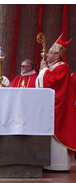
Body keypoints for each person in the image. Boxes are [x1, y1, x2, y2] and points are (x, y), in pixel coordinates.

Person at [36, 34, 76, 171]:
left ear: (58, 56)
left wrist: (44, 70)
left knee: (56, 137)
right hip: (50, 107)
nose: (46, 55)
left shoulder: (62, 68)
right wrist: (44, 70)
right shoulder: (53, 66)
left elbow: (52, 82)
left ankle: (58, 165)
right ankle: (49, 163)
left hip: (59, 108)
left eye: (50, 53)